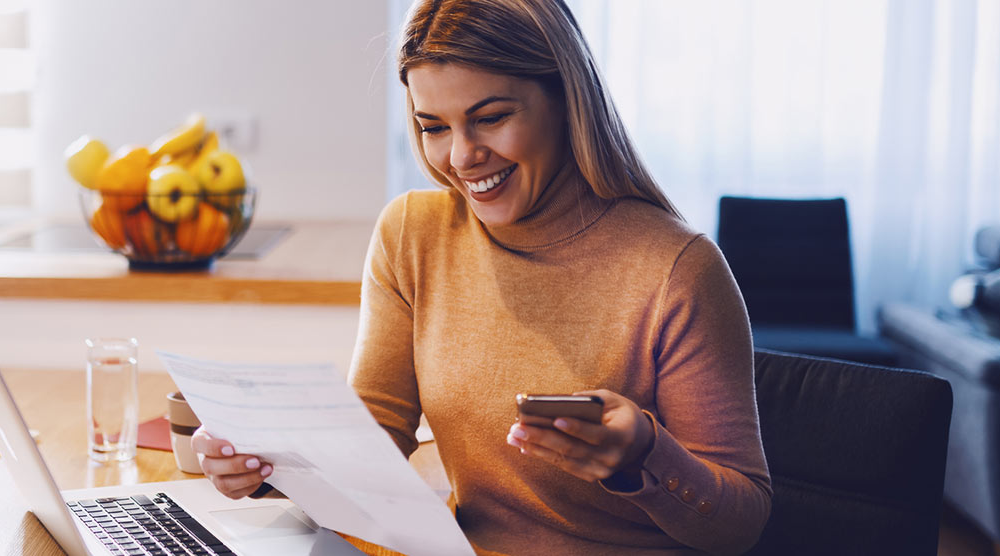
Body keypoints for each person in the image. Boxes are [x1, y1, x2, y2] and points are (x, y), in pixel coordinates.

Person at [192, 0, 772, 553]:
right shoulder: (412, 234)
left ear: (567, 99)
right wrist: (263, 464)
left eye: (490, 118)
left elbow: (741, 521)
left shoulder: (678, 268)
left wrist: (642, 455)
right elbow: (373, 443)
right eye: (433, 126)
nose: (462, 157)